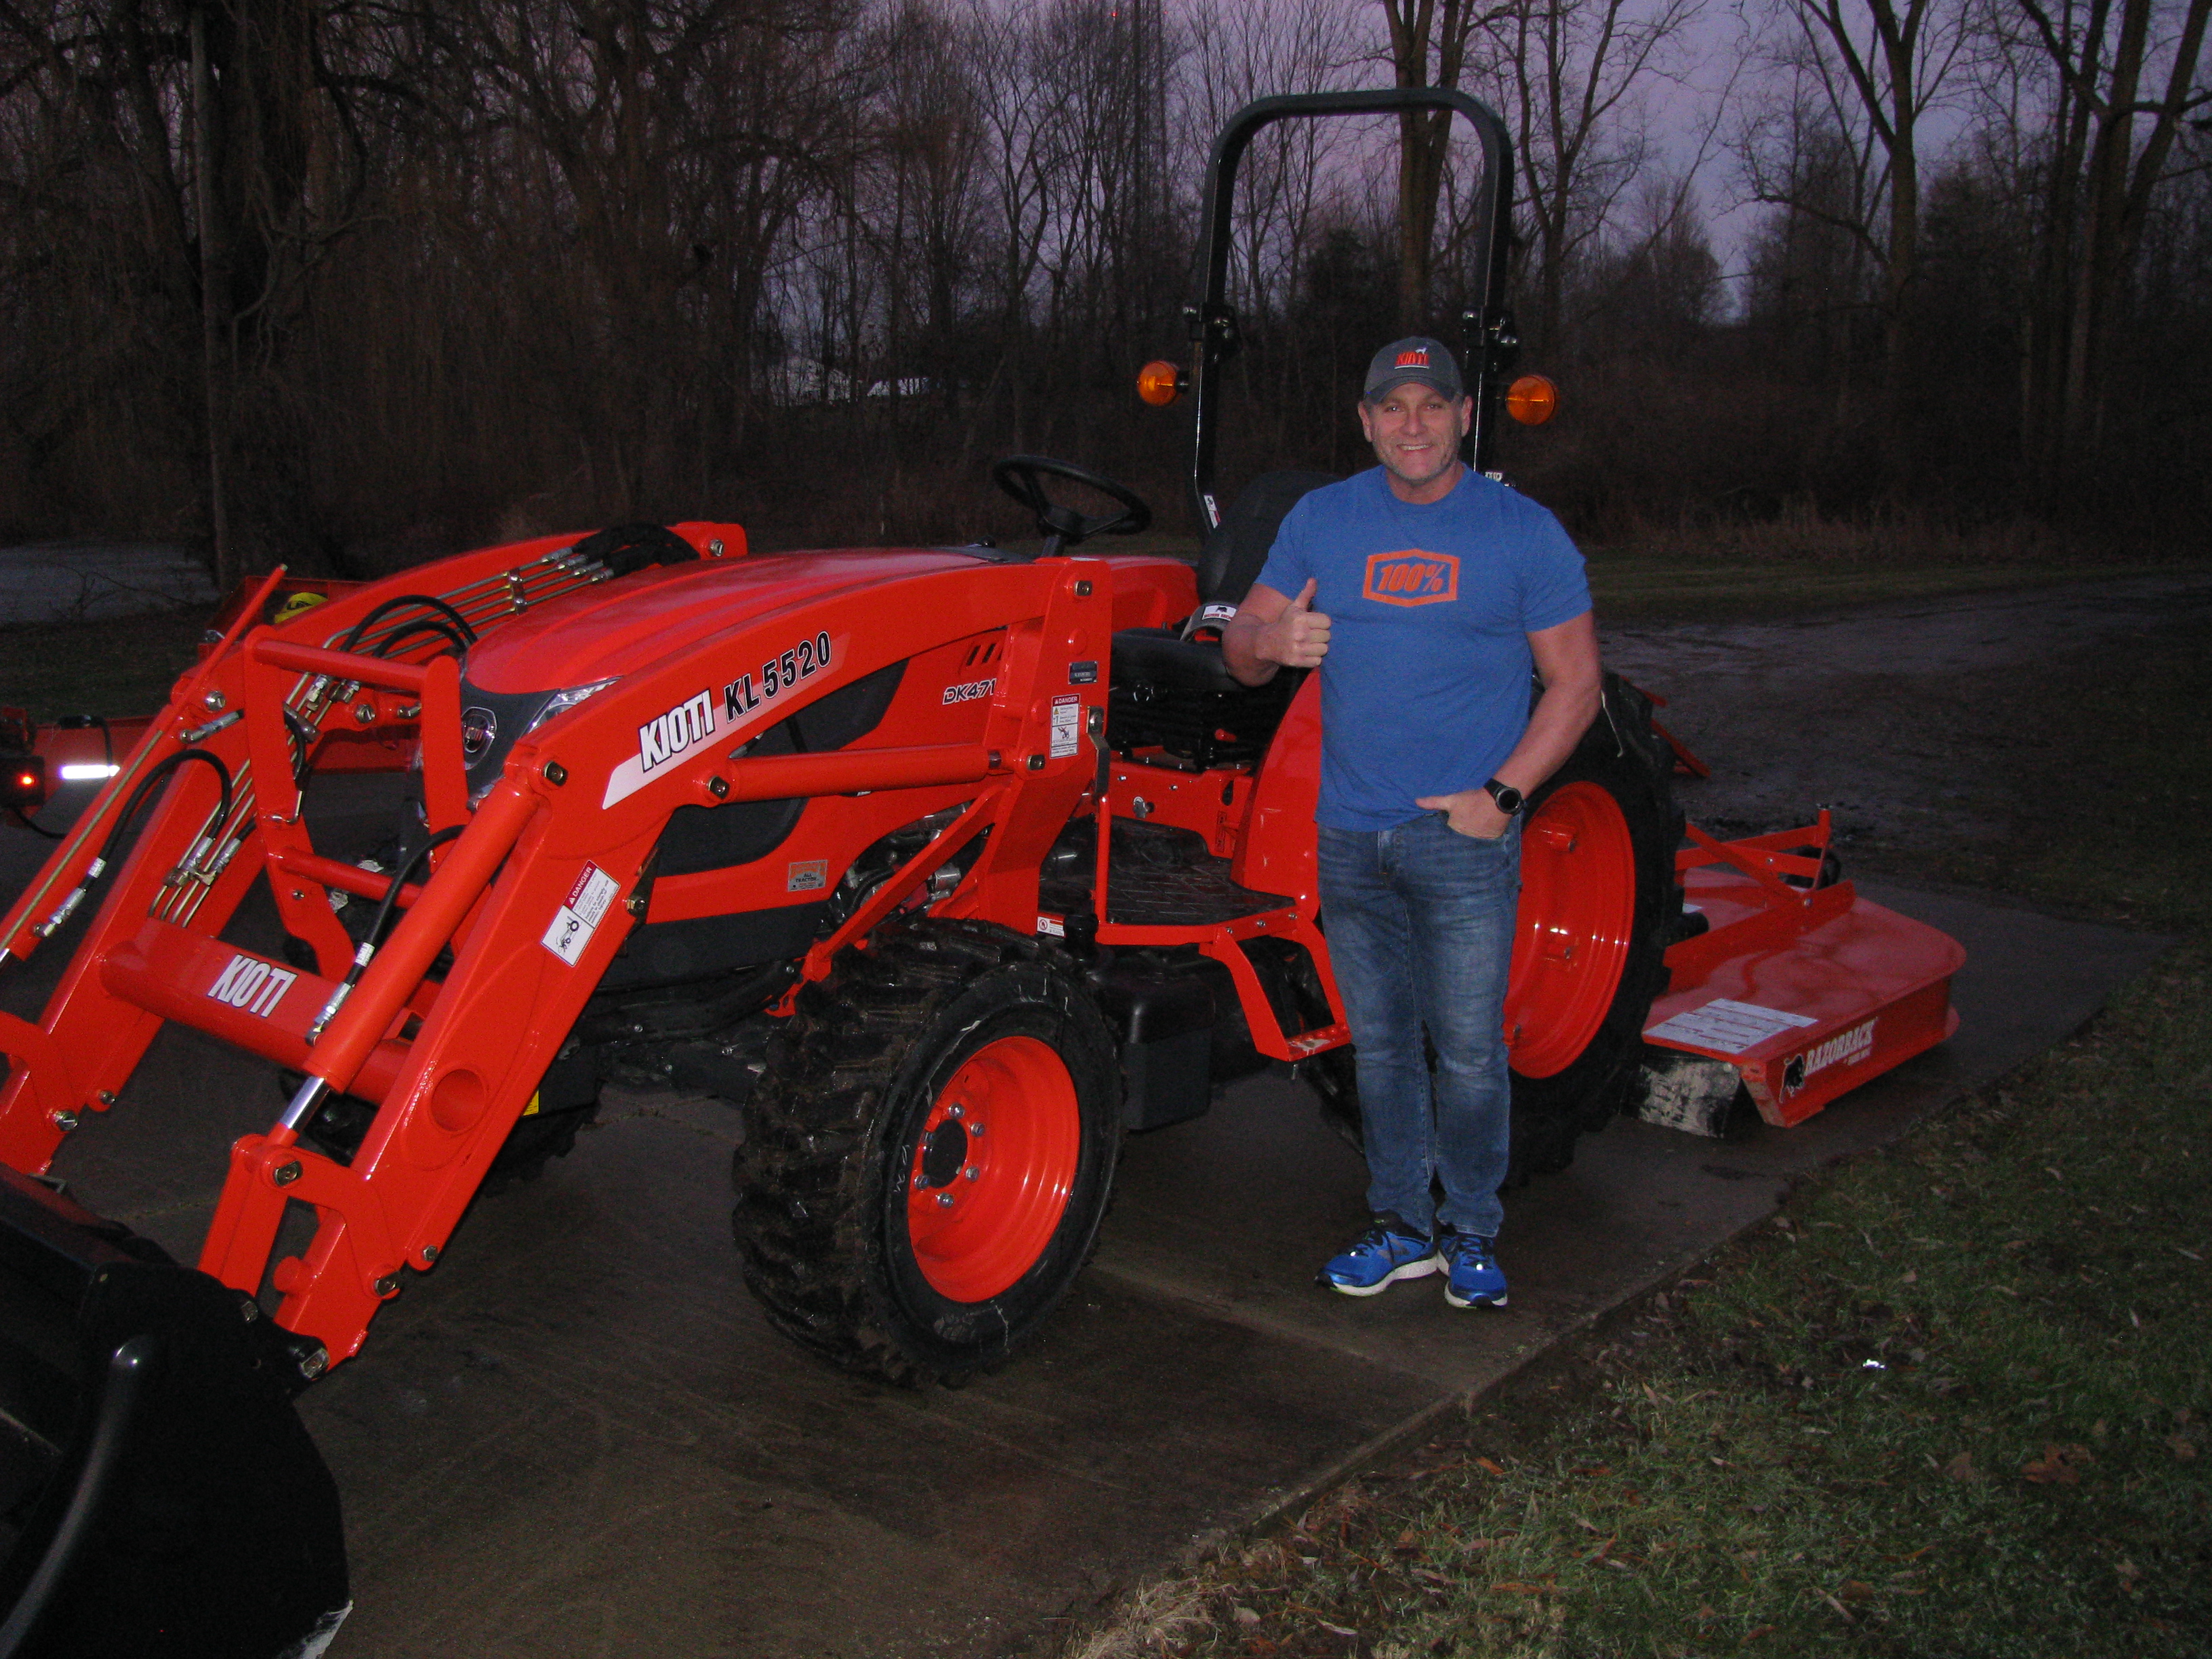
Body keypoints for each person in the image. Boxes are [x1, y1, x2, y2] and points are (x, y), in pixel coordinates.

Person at [1221, 337, 1601, 1311]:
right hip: (1349, 835)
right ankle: (1401, 1226)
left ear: (1465, 415)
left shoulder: (1522, 533)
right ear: (1365, 421)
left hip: (1462, 839)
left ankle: (1472, 1227)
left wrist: (1504, 797)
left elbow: (1576, 685)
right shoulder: (1323, 518)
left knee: (1470, 1048)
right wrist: (1271, 638)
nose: (1414, 424)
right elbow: (1239, 646)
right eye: (1394, 407)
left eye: (1433, 405)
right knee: (1381, 1046)